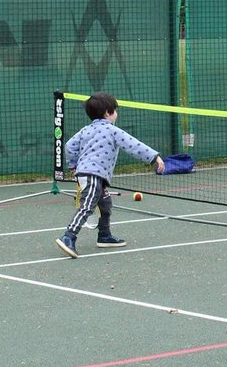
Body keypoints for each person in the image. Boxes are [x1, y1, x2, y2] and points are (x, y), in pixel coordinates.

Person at [57, 92, 165, 258]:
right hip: (92, 175)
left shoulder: (85, 130)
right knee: (87, 207)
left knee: (105, 205)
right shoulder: (113, 131)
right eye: (115, 110)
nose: (116, 113)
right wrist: (154, 158)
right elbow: (133, 145)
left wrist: (73, 165)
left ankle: (104, 236)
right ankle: (68, 237)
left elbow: (69, 146)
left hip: (92, 175)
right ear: (108, 113)